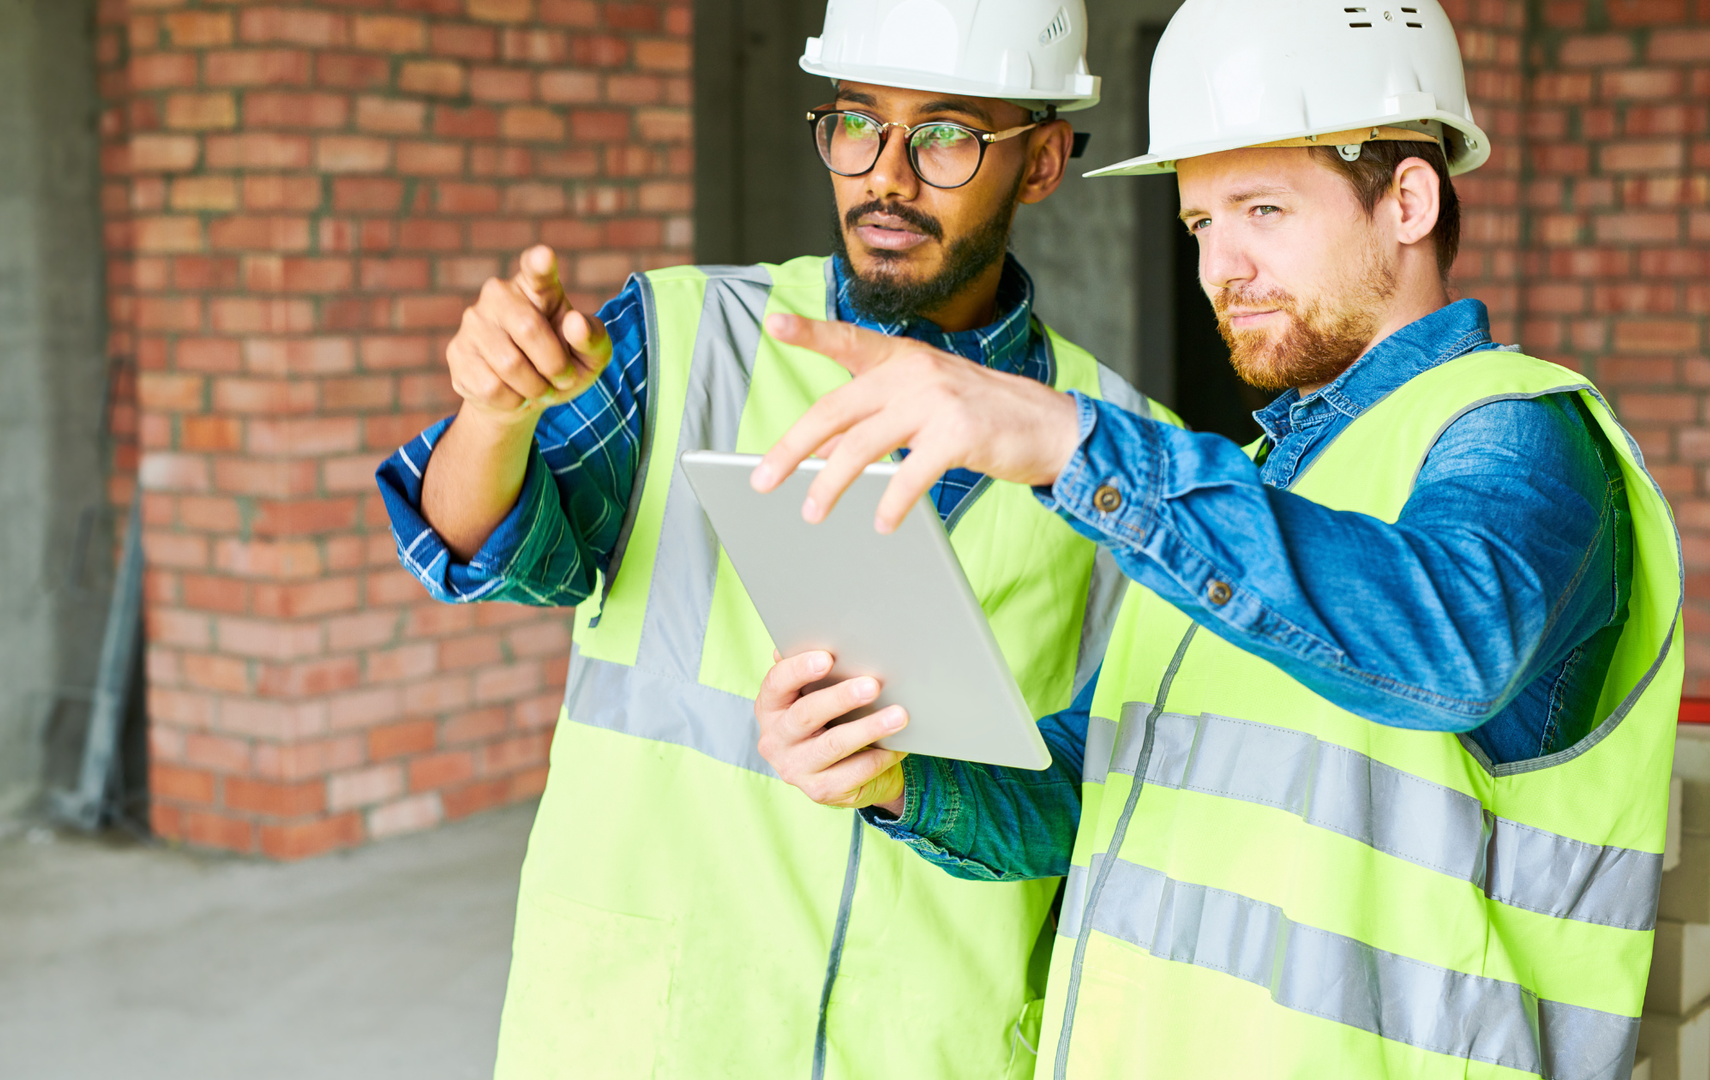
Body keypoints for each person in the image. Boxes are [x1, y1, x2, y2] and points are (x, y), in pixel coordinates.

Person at [749, 1, 1684, 1077]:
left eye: (1265, 210)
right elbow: (1091, 787)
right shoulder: (1252, 483)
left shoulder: (1519, 434)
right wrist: (897, 778)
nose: (1220, 267)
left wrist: (1065, 439)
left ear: (1409, 201)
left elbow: (1450, 646)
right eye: (1201, 224)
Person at [375, 1, 1173, 1077]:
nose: (885, 175)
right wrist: (496, 412)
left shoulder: (1121, 456)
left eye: (943, 136)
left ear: (1042, 162)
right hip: (645, 1039)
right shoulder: (691, 336)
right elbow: (484, 554)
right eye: (857, 123)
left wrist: (910, 785)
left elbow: (1102, 804)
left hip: (926, 1051)